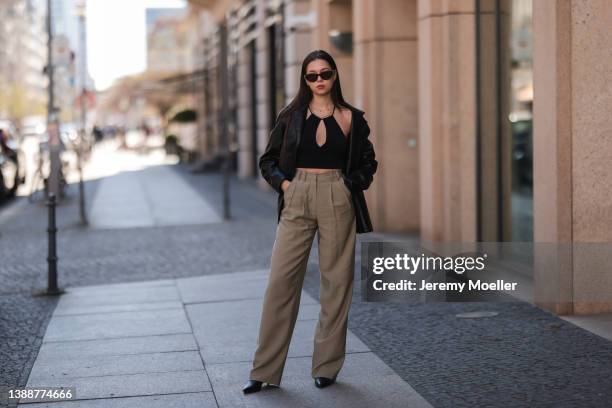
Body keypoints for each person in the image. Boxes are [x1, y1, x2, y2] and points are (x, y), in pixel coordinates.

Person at [243, 49, 378, 394]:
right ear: (304, 80)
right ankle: (264, 370)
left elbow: (367, 162)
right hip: (298, 194)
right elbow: (268, 160)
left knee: (337, 283)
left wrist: (350, 185)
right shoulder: (291, 116)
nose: (319, 81)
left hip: (337, 195)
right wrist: (286, 184)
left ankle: (326, 366)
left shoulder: (352, 118)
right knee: (280, 283)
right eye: (312, 75)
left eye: (325, 74)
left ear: (335, 76)